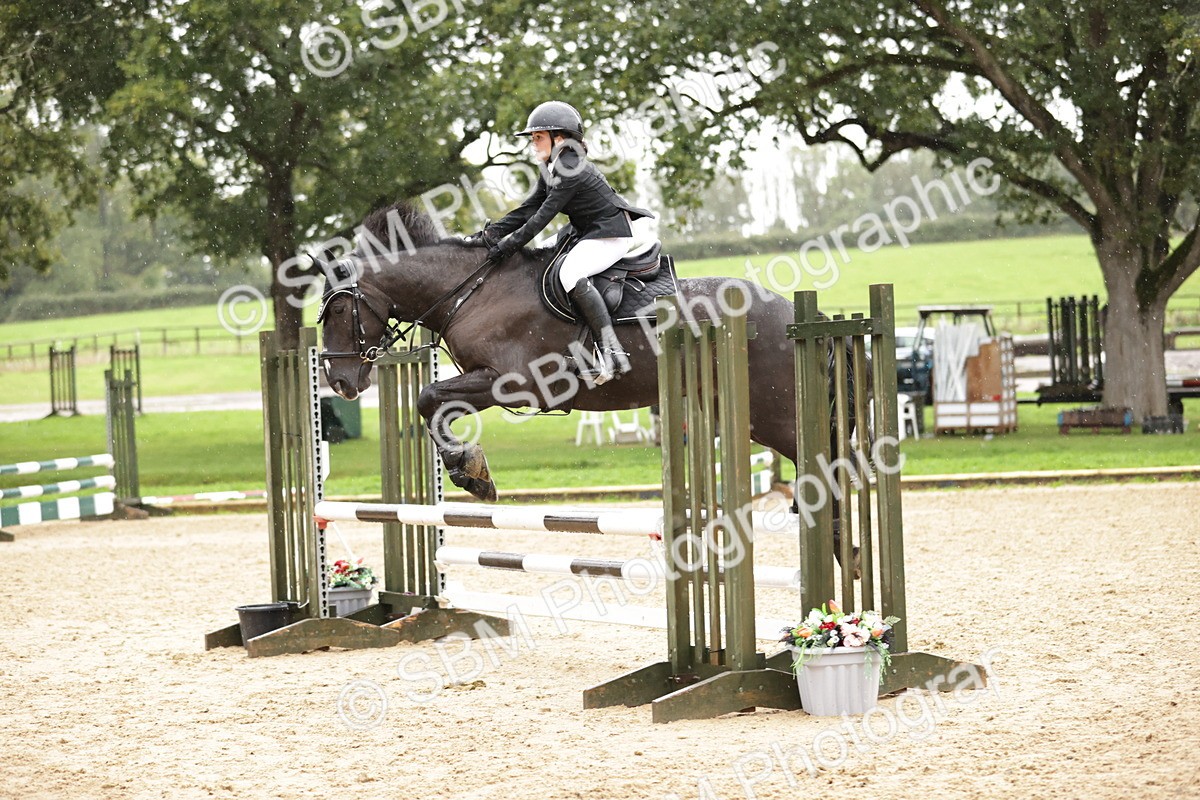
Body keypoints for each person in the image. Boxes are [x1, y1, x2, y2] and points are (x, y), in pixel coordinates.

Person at [468, 101, 653, 384]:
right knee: (541, 255)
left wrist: (507, 247)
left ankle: (612, 351)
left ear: (560, 137)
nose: (533, 143)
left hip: (611, 235)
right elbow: (529, 208)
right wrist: (490, 235)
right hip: (586, 231)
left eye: (538, 137)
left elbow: (542, 217)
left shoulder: (571, 167)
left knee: (570, 274)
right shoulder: (552, 165)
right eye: (533, 138)